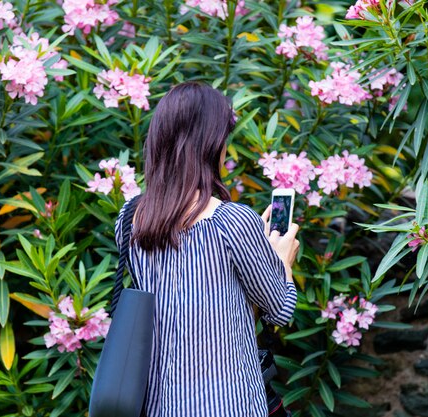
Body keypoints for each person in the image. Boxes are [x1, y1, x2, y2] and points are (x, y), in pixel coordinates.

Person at [114, 81, 299, 417]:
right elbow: (280, 310)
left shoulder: (129, 220)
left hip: (157, 406)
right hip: (227, 405)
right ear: (212, 145)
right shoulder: (232, 222)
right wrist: (281, 259)